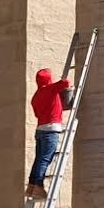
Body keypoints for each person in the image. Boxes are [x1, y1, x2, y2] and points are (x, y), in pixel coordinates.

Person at [27, 66, 73, 199]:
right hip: (51, 129)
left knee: (39, 159)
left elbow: (37, 114)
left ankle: (31, 186)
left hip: (40, 129)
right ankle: (38, 187)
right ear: (48, 79)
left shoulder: (35, 96)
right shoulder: (50, 89)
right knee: (46, 159)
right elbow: (65, 83)